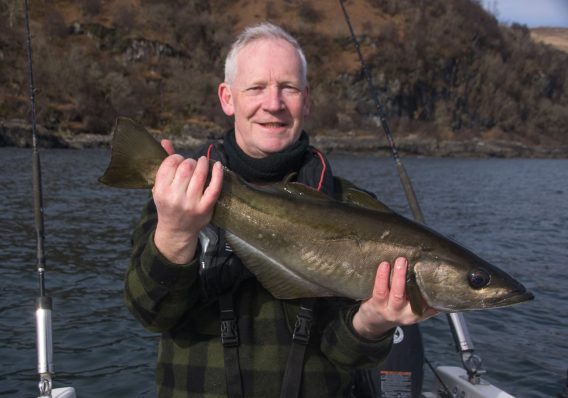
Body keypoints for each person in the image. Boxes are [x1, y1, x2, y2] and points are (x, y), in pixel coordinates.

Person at [124, 22, 436, 398]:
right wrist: (175, 233)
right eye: (256, 87)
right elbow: (150, 313)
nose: (273, 103)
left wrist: (372, 323)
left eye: (288, 88)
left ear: (306, 99)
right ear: (227, 98)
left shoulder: (356, 210)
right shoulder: (177, 192)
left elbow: (344, 354)